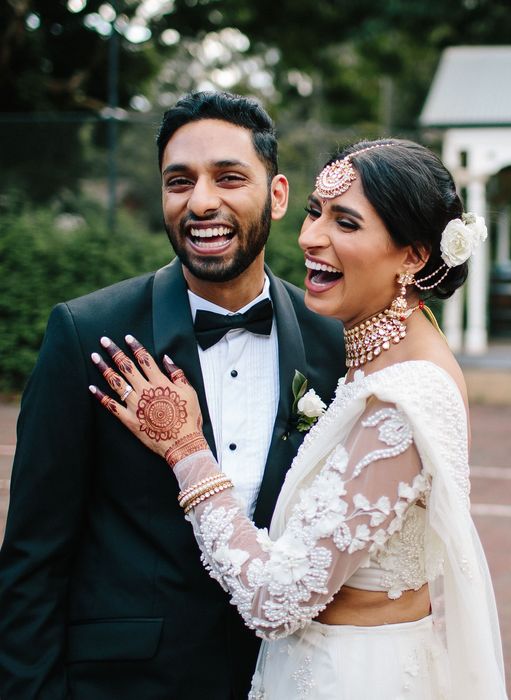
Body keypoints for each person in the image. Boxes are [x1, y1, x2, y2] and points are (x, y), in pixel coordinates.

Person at [88, 138, 508, 698]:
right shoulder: (370, 361)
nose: (310, 237)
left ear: (413, 255)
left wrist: (186, 448)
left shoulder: (408, 394)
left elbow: (275, 599)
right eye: (314, 212)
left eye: (346, 223)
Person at [0, 92, 345, 699]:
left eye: (229, 177)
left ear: (279, 194)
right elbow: (33, 556)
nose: (201, 201)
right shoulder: (88, 334)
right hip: (126, 682)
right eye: (178, 181)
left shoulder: (332, 341)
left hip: (286, 676)